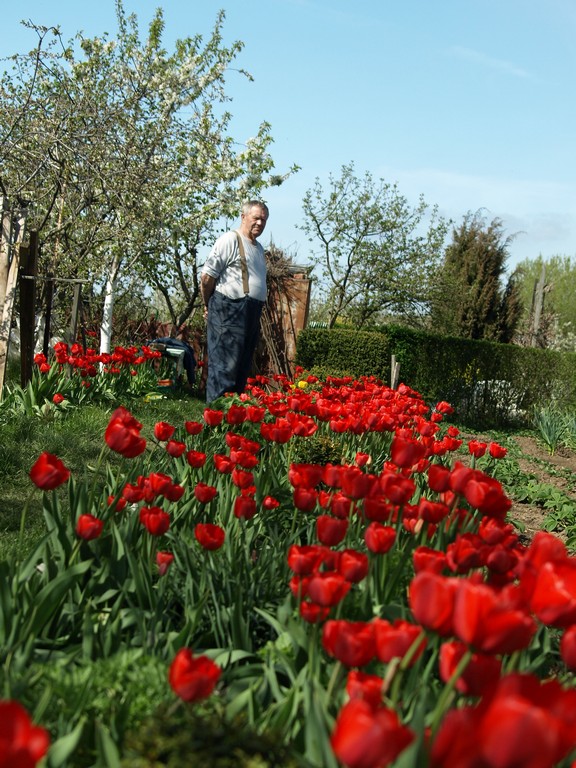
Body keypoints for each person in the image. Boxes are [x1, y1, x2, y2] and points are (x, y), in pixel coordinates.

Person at [200, 200, 269, 403]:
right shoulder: (230, 239)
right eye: (256, 218)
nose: (260, 223)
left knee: (241, 369)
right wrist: (208, 304)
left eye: (264, 220)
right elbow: (206, 277)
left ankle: (231, 417)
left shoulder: (259, 248)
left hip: (251, 312)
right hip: (229, 310)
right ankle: (215, 415)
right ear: (243, 217)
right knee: (224, 368)